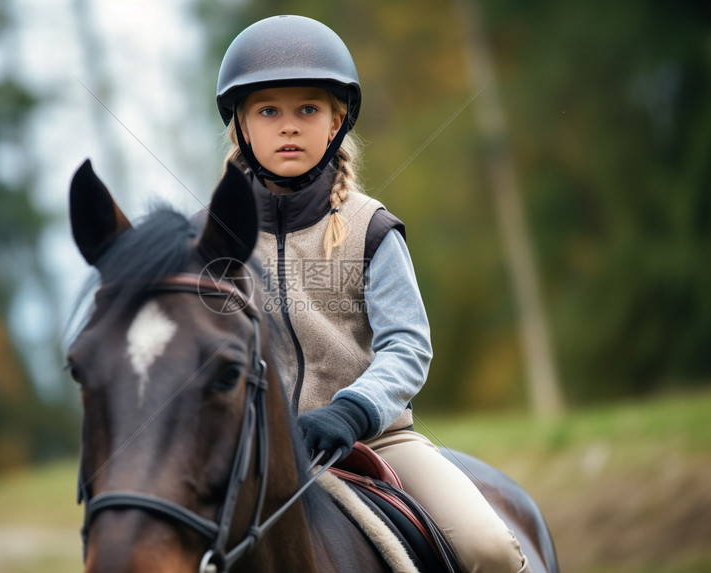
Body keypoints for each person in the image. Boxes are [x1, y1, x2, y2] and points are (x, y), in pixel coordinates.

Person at [214, 15, 529, 573]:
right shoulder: (212, 238)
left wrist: (351, 411)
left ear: (337, 121)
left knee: (490, 551)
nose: (289, 126)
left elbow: (408, 346)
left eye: (307, 109)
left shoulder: (371, 229)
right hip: (254, 456)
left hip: (373, 439)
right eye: (268, 111)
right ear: (241, 125)